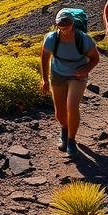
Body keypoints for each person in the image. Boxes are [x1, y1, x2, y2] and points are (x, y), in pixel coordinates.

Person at [40, 9, 100, 157]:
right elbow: (44, 58)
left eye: (67, 24)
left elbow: (95, 58)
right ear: (57, 24)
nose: (65, 27)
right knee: (60, 113)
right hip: (58, 73)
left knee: (72, 106)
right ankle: (65, 130)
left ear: (72, 23)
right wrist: (44, 79)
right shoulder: (51, 38)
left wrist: (86, 69)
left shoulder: (83, 39)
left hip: (77, 75)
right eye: (61, 24)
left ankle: (71, 141)